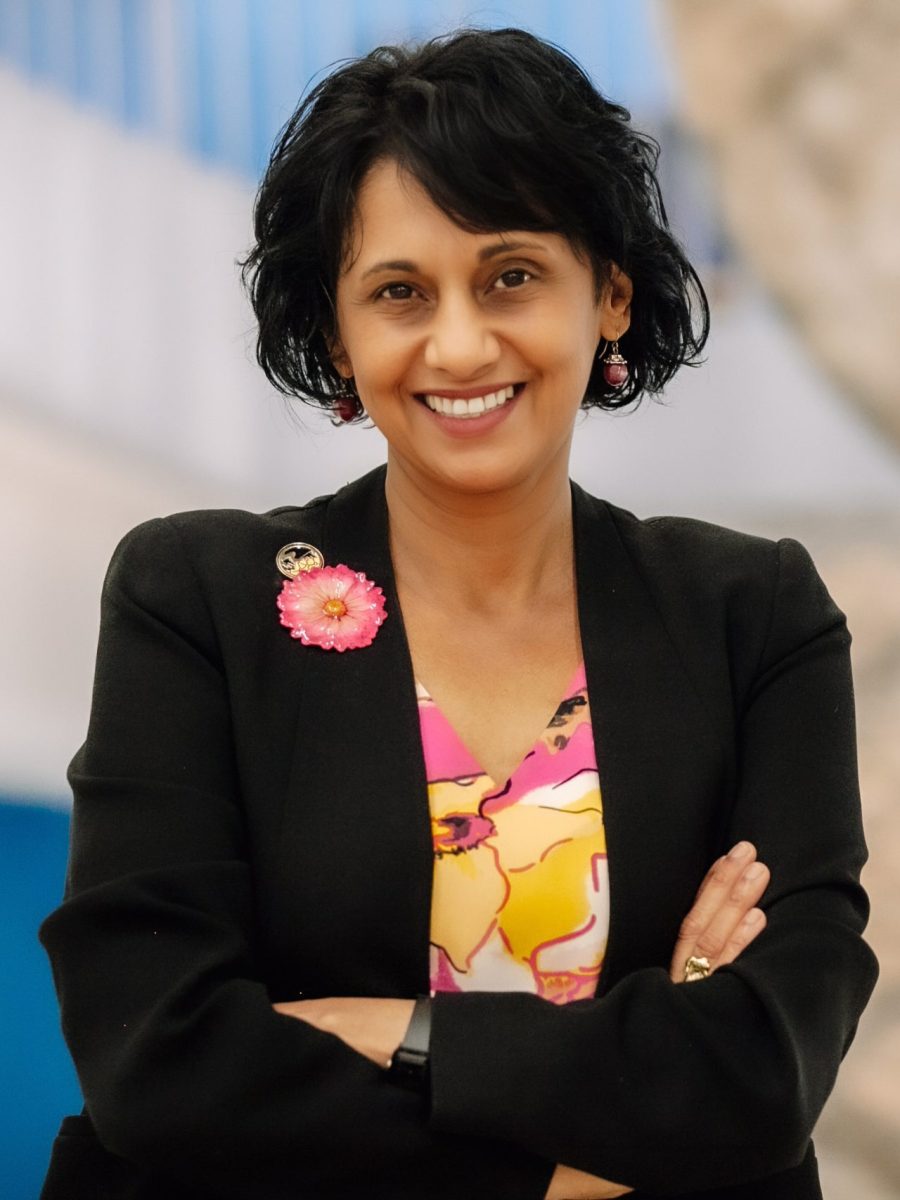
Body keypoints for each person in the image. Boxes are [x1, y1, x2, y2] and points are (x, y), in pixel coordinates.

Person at [39, 27, 876, 1200]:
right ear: (336, 334)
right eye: (399, 293)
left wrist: (403, 1030)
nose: (461, 343)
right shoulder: (195, 598)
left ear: (610, 294)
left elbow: (761, 1073)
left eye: (510, 276)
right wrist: (576, 1162)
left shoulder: (755, 616)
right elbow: (162, 1061)